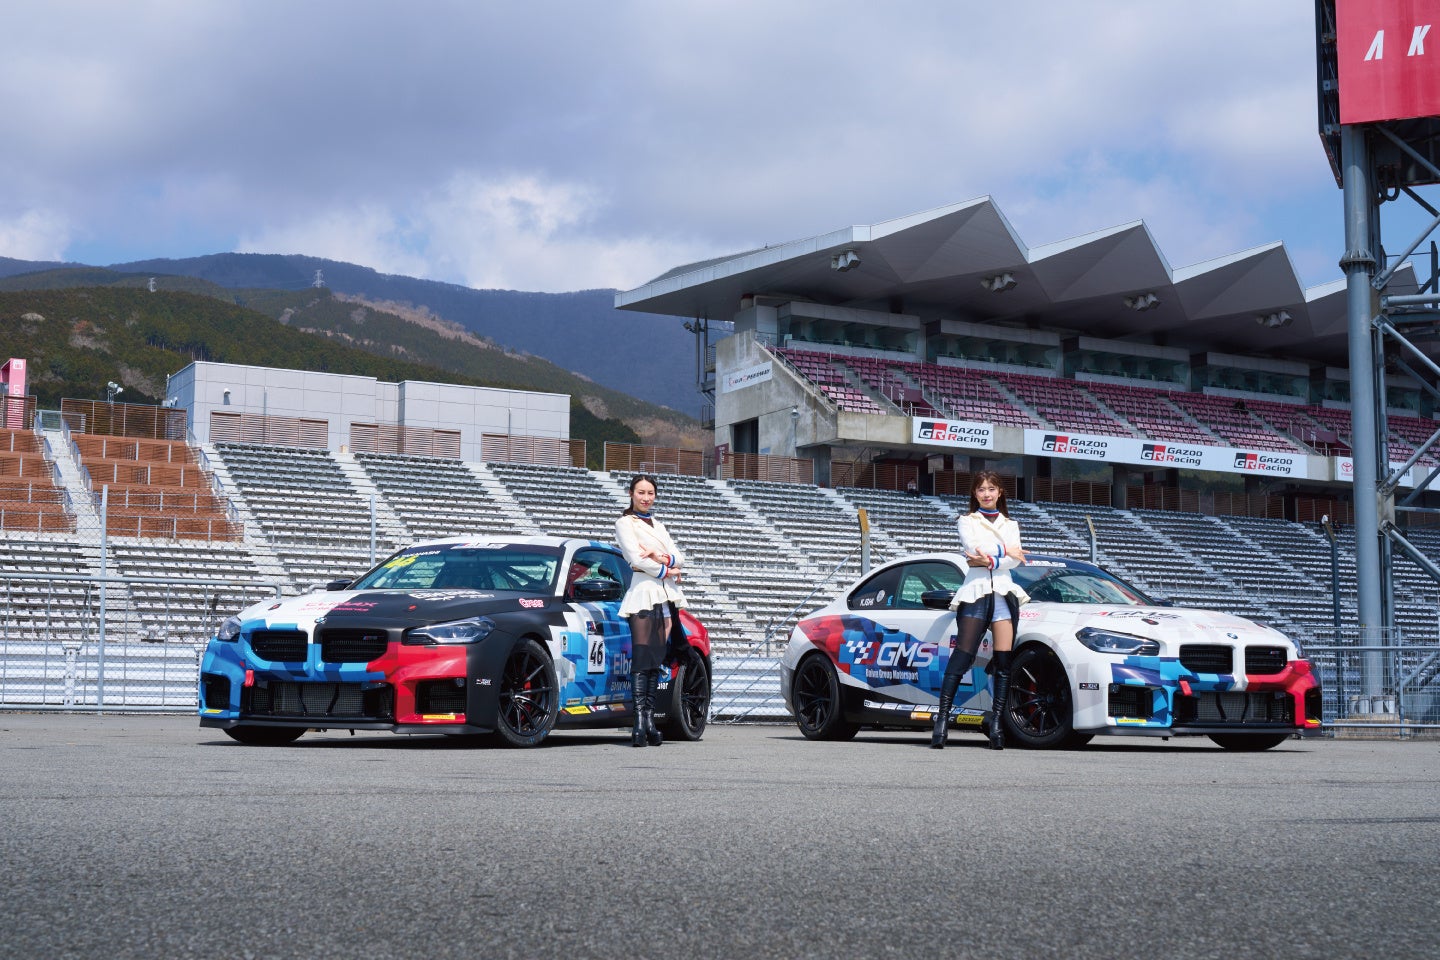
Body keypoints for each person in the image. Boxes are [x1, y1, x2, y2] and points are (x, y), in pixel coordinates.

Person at [931, 470, 1028, 750]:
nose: (987, 494)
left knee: (1003, 663)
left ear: (1000, 492)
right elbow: (975, 549)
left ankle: (996, 725)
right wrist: (1004, 553)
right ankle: (942, 721)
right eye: (981, 489)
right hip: (975, 592)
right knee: (962, 657)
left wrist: (990, 559)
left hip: (1004, 594)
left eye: (991, 489)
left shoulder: (1011, 524)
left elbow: (1014, 559)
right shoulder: (967, 520)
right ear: (975, 493)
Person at [615, 474, 687, 748]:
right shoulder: (625, 523)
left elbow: (680, 556)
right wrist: (668, 570)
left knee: (655, 660)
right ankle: (638, 724)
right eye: (641, 492)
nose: (646, 498)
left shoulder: (658, 524)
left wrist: (660, 557)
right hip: (643, 591)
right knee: (642, 658)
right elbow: (635, 558)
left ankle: (648, 722)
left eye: (650, 493)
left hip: (665, 595)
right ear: (631, 494)